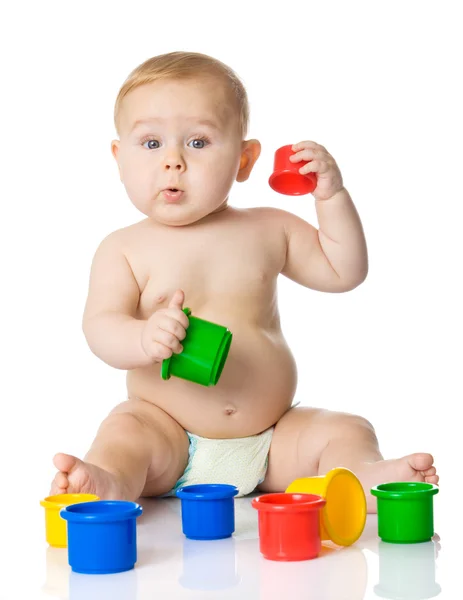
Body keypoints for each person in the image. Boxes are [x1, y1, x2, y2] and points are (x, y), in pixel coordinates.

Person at [50, 51, 438, 512]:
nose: (173, 161)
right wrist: (142, 336)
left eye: (198, 142)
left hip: (273, 439)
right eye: (151, 144)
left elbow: (344, 271)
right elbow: (100, 328)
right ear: (119, 158)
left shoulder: (268, 228)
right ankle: (109, 481)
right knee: (124, 432)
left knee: (348, 428)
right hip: (168, 435)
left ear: (245, 159)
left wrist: (331, 197)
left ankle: (354, 477)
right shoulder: (124, 248)